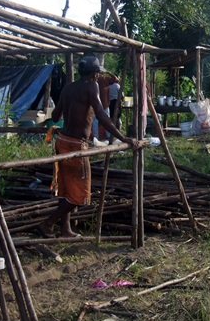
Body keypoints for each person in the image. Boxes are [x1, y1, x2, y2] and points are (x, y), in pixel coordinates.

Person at [36, 56, 140, 238]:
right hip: (76, 145)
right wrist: (122, 137)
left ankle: (65, 229)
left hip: (62, 141)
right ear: (94, 74)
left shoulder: (68, 88)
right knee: (80, 194)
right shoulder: (91, 86)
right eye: (98, 72)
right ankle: (48, 223)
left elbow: (55, 115)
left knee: (67, 188)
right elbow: (101, 114)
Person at [92, 68, 119, 142]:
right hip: (104, 104)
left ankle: (96, 137)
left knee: (95, 121)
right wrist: (108, 72)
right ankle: (108, 136)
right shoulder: (104, 79)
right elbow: (116, 80)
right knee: (107, 120)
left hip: (95, 104)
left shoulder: (93, 79)